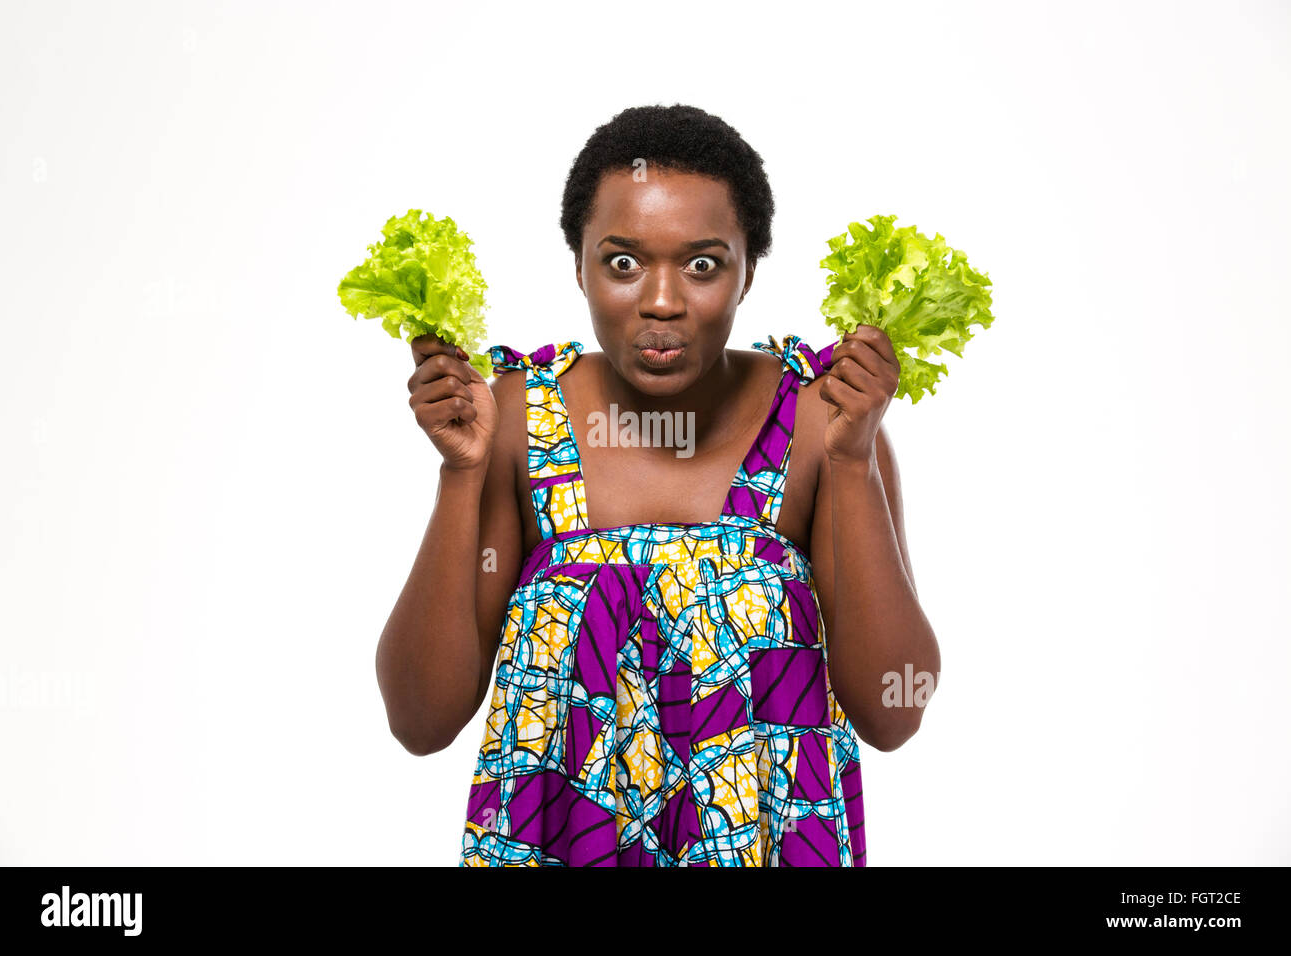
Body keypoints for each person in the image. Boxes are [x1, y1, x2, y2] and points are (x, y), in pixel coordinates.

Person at [376, 104, 941, 867]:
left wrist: (852, 463)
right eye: (622, 262)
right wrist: (459, 474)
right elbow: (420, 720)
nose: (663, 300)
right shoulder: (517, 419)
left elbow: (892, 710)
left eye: (703, 263)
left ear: (748, 271)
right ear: (578, 264)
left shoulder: (820, 422)